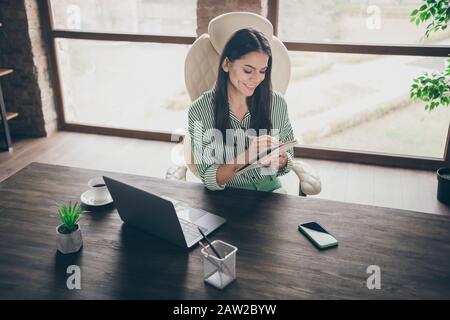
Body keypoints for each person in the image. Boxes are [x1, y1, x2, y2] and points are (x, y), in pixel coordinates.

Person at [188, 27, 295, 193]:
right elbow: (208, 178)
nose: (256, 79)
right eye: (247, 70)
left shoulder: (277, 103)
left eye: (262, 71)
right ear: (226, 64)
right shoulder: (199, 110)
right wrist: (248, 155)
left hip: (271, 193)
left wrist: (281, 160)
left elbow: (289, 160)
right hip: (227, 196)